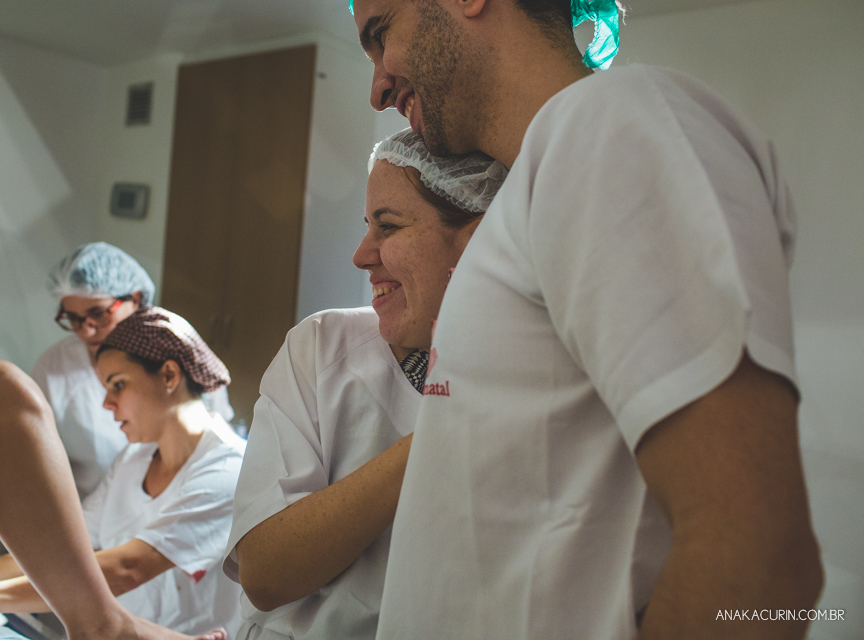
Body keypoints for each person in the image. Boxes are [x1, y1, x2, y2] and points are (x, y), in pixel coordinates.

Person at [350, 0, 823, 638]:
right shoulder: (536, 186)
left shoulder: (611, 125)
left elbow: (761, 566)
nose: (377, 87)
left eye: (382, 36)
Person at [221, 128, 506, 639]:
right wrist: (443, 433)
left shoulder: (544, 379)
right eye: (367, 226)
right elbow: (265, 573)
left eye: (389, 228)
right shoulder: (324, 346)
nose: (361, 254)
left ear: (477, 239)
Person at [0, 308, 245, 637]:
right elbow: (66, 550)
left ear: (170, 376)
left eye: (118, 385)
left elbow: (128, 568)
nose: (107, 403)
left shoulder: (229, 468)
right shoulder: (132, 460)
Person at [34, 242, 235, 499]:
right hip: (89, 512)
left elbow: (216, 443)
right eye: (73, 318)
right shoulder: (53, 368)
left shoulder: (175, 351)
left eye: (98, 313)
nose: (86, 330)